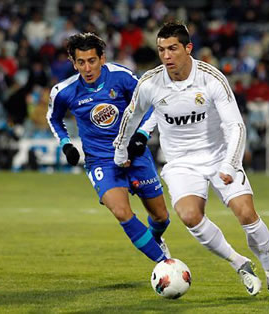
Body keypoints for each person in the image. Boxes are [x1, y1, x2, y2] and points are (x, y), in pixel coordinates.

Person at [114, 22, 269, 299]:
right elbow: (131, 117)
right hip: (181, 162)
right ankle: (239, 263)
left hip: (219, 155)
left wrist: (230, 164)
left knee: (246, 214)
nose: (167, 55)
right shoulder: (150, 83)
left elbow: (236, 126)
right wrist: (121, 151)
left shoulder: (211, 78)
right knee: (188, 215)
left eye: (173, 48)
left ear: (188, 48)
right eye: (161, 50)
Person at [47, 32, 171, 263]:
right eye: (81, 62)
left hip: (134, 154)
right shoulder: (63, 91)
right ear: (73, 63)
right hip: (100, 160)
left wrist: (141, 136)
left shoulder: (122, 77)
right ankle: (165, 264)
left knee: (161, 217)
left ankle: (156, 240)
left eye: (92, 61)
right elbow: (54, 119)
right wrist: (66, 145)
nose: (87, 68)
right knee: (122, 212)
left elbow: (149, 105)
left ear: (102, 58)